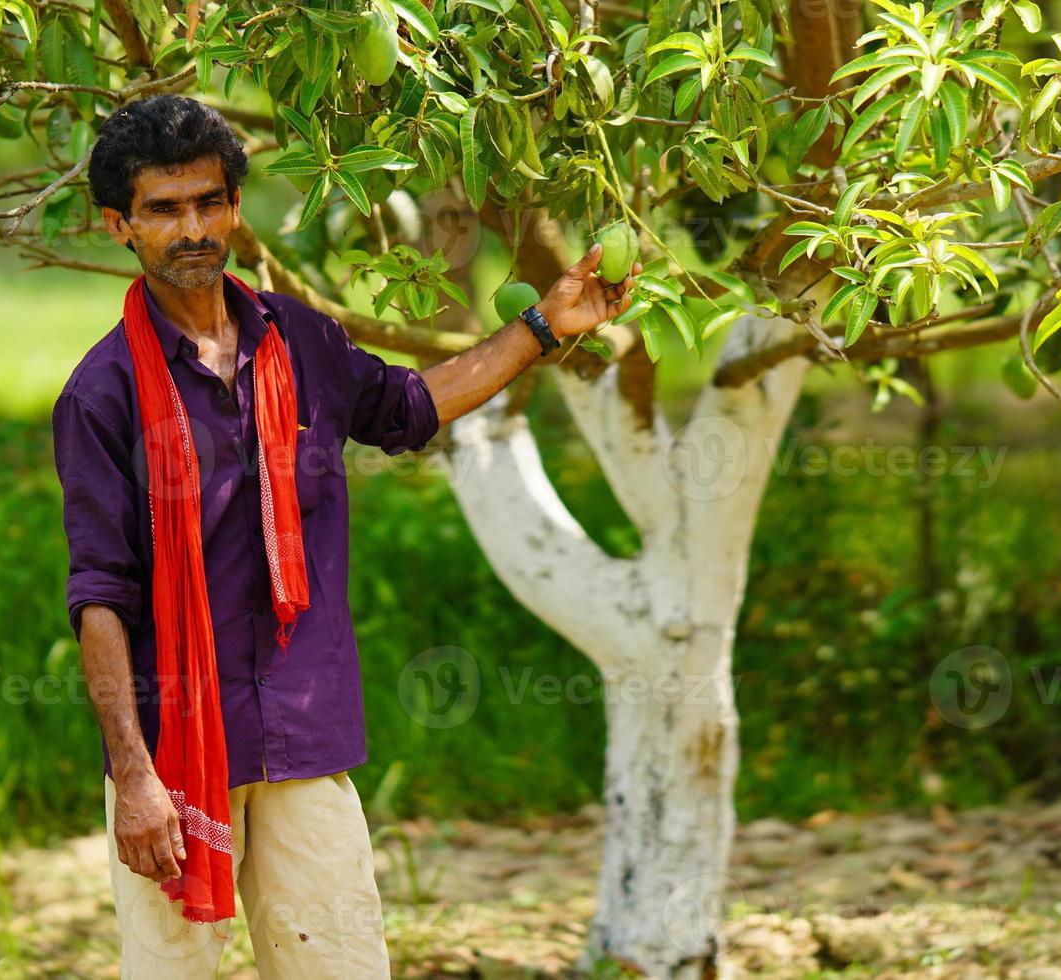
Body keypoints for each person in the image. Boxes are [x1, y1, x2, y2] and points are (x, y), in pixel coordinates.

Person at [50, 93, 638, 978]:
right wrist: (133, 779)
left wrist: (545, 327)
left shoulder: (302, 343)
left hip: (302, 728)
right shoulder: (102, 396)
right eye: (164, 210)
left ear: (236, 209)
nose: (192, 227)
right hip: (175, 758)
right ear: (119, 225)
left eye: (209, 202)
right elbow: (102, 595)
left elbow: (409, 406)